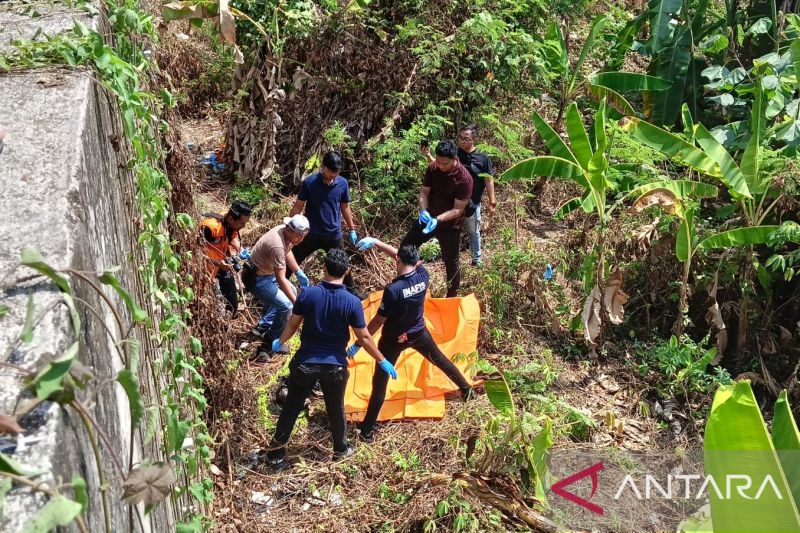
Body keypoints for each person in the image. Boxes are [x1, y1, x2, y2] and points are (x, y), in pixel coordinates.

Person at [264, 249, 398, 468]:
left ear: (324, 268)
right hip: (335, 367)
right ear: (347, 271)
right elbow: (364, 336)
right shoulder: (352, 301)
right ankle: (341, 450)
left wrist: (280, 341)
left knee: (292, 407)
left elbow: (293, 323)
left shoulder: (308, 294)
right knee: (335, 408)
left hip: (305, 362)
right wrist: (381, 359)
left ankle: (276, 454)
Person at [348, 238, 473, 442]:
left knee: (379, 383)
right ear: (415, 262)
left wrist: (359, 342)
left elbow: (379, 320)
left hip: (393, 340)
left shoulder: (393, 290)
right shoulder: (423, 275)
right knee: (440, 360)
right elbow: (403, 257)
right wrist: (379, 244)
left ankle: (367, 430)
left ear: (397, 261)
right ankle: (467, 390)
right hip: (418, 332)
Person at [402, 140, 472, 298]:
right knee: (406, 246)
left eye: (444, 163)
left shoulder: (464, 179)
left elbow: (458, 209)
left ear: (455, 159)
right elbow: (424, 192)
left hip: (450, 225)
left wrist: (438, 219)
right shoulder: (433, 168)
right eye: (438, 161)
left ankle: (452, 296)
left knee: (451, 262)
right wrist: (423, 210)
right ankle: (406, 284)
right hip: (427, 220)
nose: (440, 166)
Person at [289, 151, 362, 297]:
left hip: (333, 234)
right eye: (330, 172)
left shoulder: (342, 183)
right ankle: (277, 285)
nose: (332, 176)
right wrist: (289, 228)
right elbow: (298, 206)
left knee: (343, 264)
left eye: (336, 173)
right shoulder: (309, 183)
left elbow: (345, 207)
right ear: (323, 167)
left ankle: (352, 292)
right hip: (311, 233)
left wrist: (352, 228)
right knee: (292, 260)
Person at [245, 215, 311, 361]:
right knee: (286, 306)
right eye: (299, 236)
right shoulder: (277, 246)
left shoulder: (284, 233)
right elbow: (281, 280)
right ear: (289, 229)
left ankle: (264, 325)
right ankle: (270, 342)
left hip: (266, 274)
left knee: (292, 291)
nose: (300, 240)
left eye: (303, 237)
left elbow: (288, 251)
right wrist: (297, 305)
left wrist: (298, 271)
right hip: (257, 279)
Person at [200, 200, 253, 315]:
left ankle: (230, 314)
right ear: (231, 219)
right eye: (241, 224)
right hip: (206, 267)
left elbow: (232, 237)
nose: (243, 227)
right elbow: (197, 253)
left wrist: (240, 249)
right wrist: (219, 264)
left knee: (232, 301)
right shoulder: (209, 227)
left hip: (221, 263)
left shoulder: (231, 223)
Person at [456, 125, 496, 267]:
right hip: (455, 202)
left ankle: (476, 259)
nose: (462, 141)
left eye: (466, 139)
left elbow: (488, 179)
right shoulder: (455, 154)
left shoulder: (483, 158)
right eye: (460, 138)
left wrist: (492, 200)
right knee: (452, 230)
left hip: (473, 202)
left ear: (474, 139)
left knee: (473, 231)